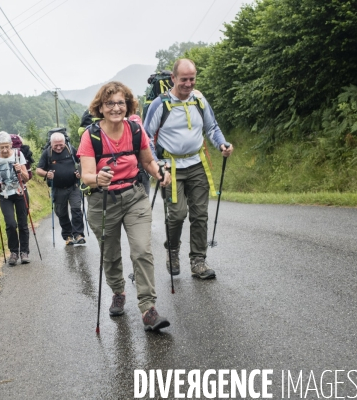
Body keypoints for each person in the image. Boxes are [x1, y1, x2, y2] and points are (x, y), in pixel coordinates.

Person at [78, 81, 172, 332]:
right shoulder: (91, 136)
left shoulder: (135, 130)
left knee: (142, 250)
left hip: (133, 196)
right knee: (110, 255)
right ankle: (118, 291)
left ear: (128, 105)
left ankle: (148, 309)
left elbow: (148, 162)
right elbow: (85, 175)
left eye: (121, 102)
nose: (116, 108)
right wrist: (98, 178)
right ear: (101, 107)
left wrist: (160, 172)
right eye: (110, 103)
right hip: (102, 200)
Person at [144, 59, 234, 279]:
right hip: (170, 167)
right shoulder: (160, 104)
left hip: (196, 164)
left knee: (200, 214)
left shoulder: (200, 100)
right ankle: (172, 251)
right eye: (183, 79)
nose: (188, 83)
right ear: (173, 78)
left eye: (192, 78)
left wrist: (222, 144)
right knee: (176, 215)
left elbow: (212, 127)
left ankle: (198, 261)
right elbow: (146, 137)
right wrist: (156, 164)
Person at [0, 131, 31, 266]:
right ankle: (13, 252)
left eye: (7, 146)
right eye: (2, 147)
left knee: (23, 224)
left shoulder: (19, 155)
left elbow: (26, 178)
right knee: (11, 224)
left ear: (11, 145)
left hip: (20, 193)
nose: (5, 150)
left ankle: (24, 252)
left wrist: (20, 170)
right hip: (5, 195)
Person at [36, 132, 85, 246]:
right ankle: (68, 236)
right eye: (55, 145)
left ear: (64, 142)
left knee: (76, 209)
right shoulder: (47, 153)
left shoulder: (70, 149)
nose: (58, 147)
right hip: (57, 189)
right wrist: (47, 174)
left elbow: (82, 160)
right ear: (51, 143)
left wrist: (80, 172)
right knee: (61, 213)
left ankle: (78, 234)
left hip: (73, 186)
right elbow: (38, 170)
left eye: (61, 145)